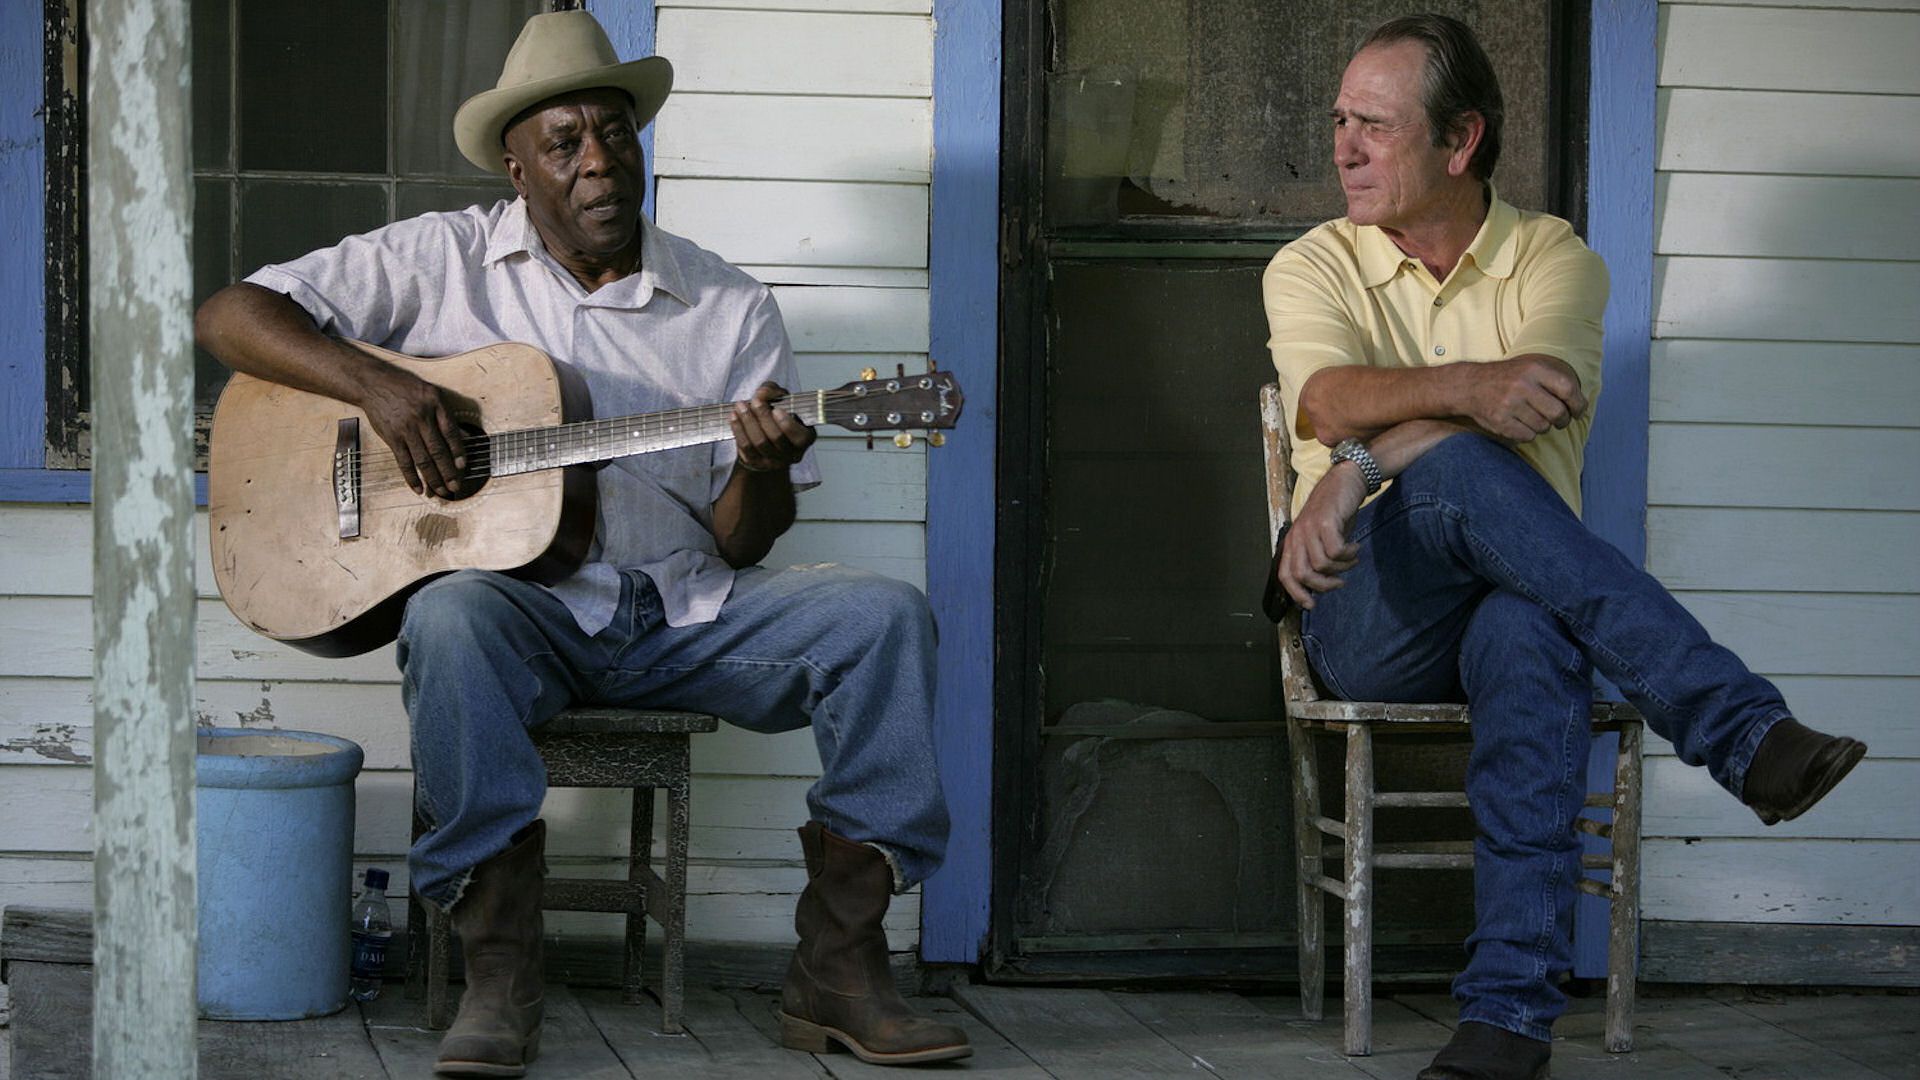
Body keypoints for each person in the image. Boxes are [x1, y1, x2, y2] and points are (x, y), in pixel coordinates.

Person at [194, 11, 969, 1077]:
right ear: (519, 167)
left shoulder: (730, 304)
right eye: (566, 142)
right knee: (452, 608)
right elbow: (231, 315)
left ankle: (839, 967)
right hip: (533, 619)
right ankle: (502, 978)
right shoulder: (439, 260)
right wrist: (384, 386)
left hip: (690, 618)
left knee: (885, 617)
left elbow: (742, 550)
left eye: (616, 134)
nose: (599, 162)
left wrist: (762, 464)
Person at [1261, 15, 1866, 1080]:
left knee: (1530, 627)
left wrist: (1361, 463)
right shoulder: (1311, 263)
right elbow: (1325, 401)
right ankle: (1740, 731)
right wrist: (1441, 408)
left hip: (1521, 591)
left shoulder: (1554, 261)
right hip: (1367, 603)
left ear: (1460, 142)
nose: (1344, 148)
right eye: (1340, 122)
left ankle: (1504, 1024)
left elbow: (1517, 410)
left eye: (1375, 126)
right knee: (1456, 471)